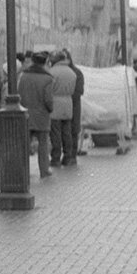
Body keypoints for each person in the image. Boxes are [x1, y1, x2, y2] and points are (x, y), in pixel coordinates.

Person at [16, 50, 55, 178]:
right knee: (43, 144)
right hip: (42, 116)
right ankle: (44, 170)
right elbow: (48, 99)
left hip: (26, 115)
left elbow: (19, 93)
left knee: (24, 145)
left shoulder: (24, 76)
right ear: (44, 63)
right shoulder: (47, 78)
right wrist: (50, 109)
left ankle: (23, 171)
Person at [48, 51, 78, 167]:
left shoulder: (52, 72)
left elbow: (49, 89)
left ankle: (55, 158)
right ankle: (68, 156)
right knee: (67, 132)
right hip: (68, 103)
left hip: (55, 103)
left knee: (55, 132)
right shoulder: (72, 72)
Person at [62, 49, 86, 160]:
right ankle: (68, 154)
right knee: (65, 130)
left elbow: (79, 90)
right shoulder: (75, 72)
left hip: (73, 105)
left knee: (73, 130)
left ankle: (72, 154)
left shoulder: (77, 72)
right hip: (65, 105)